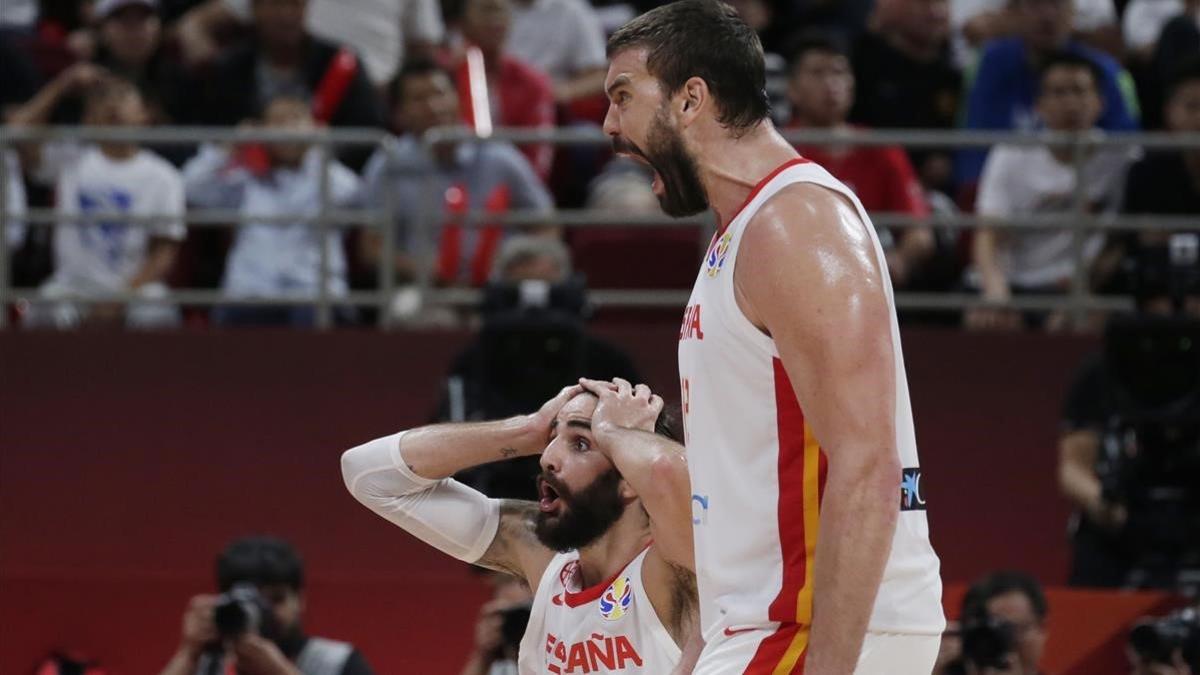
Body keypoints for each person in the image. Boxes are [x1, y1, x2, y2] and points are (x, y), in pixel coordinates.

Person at [602, 2, 945, 672]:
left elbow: (870, 465)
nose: (609, 125)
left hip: (812, 627)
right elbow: (737, 492)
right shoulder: (744, 233)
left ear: (691, 98)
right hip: (761, 622)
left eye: (623, 95)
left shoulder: (796, 224)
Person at [341, 381, 699, 674]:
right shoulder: (545, 560)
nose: (547, 458)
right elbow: (368, 476)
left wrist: (618, 434)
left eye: (581, 443)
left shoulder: (680, 568)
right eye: (551, 440)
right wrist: (527, 430)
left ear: (631, 479)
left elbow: (673, 477)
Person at [435, 235, 643, 500]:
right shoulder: (471, 361)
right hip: (493, 492)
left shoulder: (606, 360)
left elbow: (635, 443)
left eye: (546, 284)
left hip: (585, 497)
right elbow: (451, 442)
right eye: (519, 285)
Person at [968, 52, 1138, 331]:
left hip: (1080, 287)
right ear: (1040, 106)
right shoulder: (1010, 154)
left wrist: (1081, 295)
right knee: (981, 322)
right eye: (1058, 93)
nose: (1070, 103)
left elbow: (1117, 244)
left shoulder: (1123, 159)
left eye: (1080, 91)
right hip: (1016, 282)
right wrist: (996, 293)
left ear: (1100, 103)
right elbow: (988, 234)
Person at [360, 60, 552, 288]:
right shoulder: (387, 165)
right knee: (420, 320)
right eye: (419, 99)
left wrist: (515, 267)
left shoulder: (499, 156)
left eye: (440, 94)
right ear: (400, 114)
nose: (434, 106)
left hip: (500, 287)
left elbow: (547, 226)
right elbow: (372, 248)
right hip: (423, 289)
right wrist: (425, 270)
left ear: (457, 99)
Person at [11, 78, 185, 329]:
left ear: (144, 115)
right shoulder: (70, 160)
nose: (113, 104)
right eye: (103, 98)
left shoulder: (164, 176)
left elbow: (164, 252)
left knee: (156, 310)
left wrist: (122, 298)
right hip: (72, 286)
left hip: (133, 288)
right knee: (47, 305)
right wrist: (61, 86)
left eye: (123, 96)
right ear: (89, 118)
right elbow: (16, 133)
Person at [181, 95, 362, 327]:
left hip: (313, 293)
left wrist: (319, 152)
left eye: (295, 120)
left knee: (313, 319)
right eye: (277, 122)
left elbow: (352, 195)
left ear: (314, 127)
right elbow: (190, 188)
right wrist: (230, 147)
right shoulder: (245, 180)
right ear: (261, 130)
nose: (287, 130)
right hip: (250, 293)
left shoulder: (328, 177)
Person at [785, 35, 936, 291]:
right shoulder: (778, 149)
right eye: (817, 73)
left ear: (852, 85)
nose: (830, 83)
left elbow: (920, 234)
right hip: (794, 280)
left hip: (866, 284)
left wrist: (898, 260)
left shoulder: (881, 150)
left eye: (839, 71)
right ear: (793, 89)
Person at [956, 0, 1140, 193]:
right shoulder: (991, 63)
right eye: (1036, 5)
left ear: (1073, 13)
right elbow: (975, 148)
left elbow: (1125, 149)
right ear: (1015, 12)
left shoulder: (1104, 71)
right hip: (1010, 198)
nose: (1047, 16)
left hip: (1088, 197)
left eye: (1057, 5)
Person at [177, 0, 384, 170]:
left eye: (295, 4)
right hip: (245, 185)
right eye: (276, 5)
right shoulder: (229, 69)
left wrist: (325, 150)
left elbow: (367, 134)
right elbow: (209, 133)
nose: (286, 15)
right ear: (254, 10)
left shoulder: (340, 64)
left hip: (320, 184)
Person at [158, 536, 375, 675]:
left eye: (276, 599)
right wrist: (188, 653)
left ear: (300, 599)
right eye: (248, 601)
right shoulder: (209, 665)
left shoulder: (336, 662)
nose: (263, 611)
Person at [849, 0, 962, 195]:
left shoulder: (953, 73)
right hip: (871, 186)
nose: (935, 13)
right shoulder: (864, 60)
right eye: (924, 4)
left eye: (942, 3)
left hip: (935, 192)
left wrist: (944, 158)